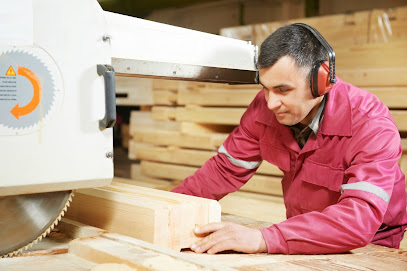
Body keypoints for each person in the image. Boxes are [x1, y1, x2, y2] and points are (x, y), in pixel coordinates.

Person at [171, 23, 407, 255]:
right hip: (300, 234)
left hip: (370, 244)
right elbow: (224, 170)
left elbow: (358, 221)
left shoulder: (371, 125)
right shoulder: (265, 108)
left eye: (283, 90)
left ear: (321, 82)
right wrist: (167, 205)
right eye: (265, 88)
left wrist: (262, 238)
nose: (271, 103)